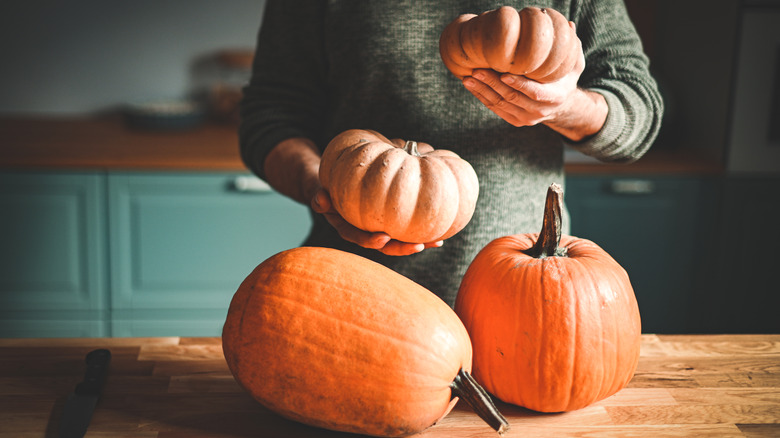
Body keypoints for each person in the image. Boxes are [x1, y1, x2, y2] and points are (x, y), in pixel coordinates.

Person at [239, 0, 663, 307]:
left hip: (528, 297)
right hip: (355, 296)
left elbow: (640, 113)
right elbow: (270, 116)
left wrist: (564, 106)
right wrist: (324, 187)